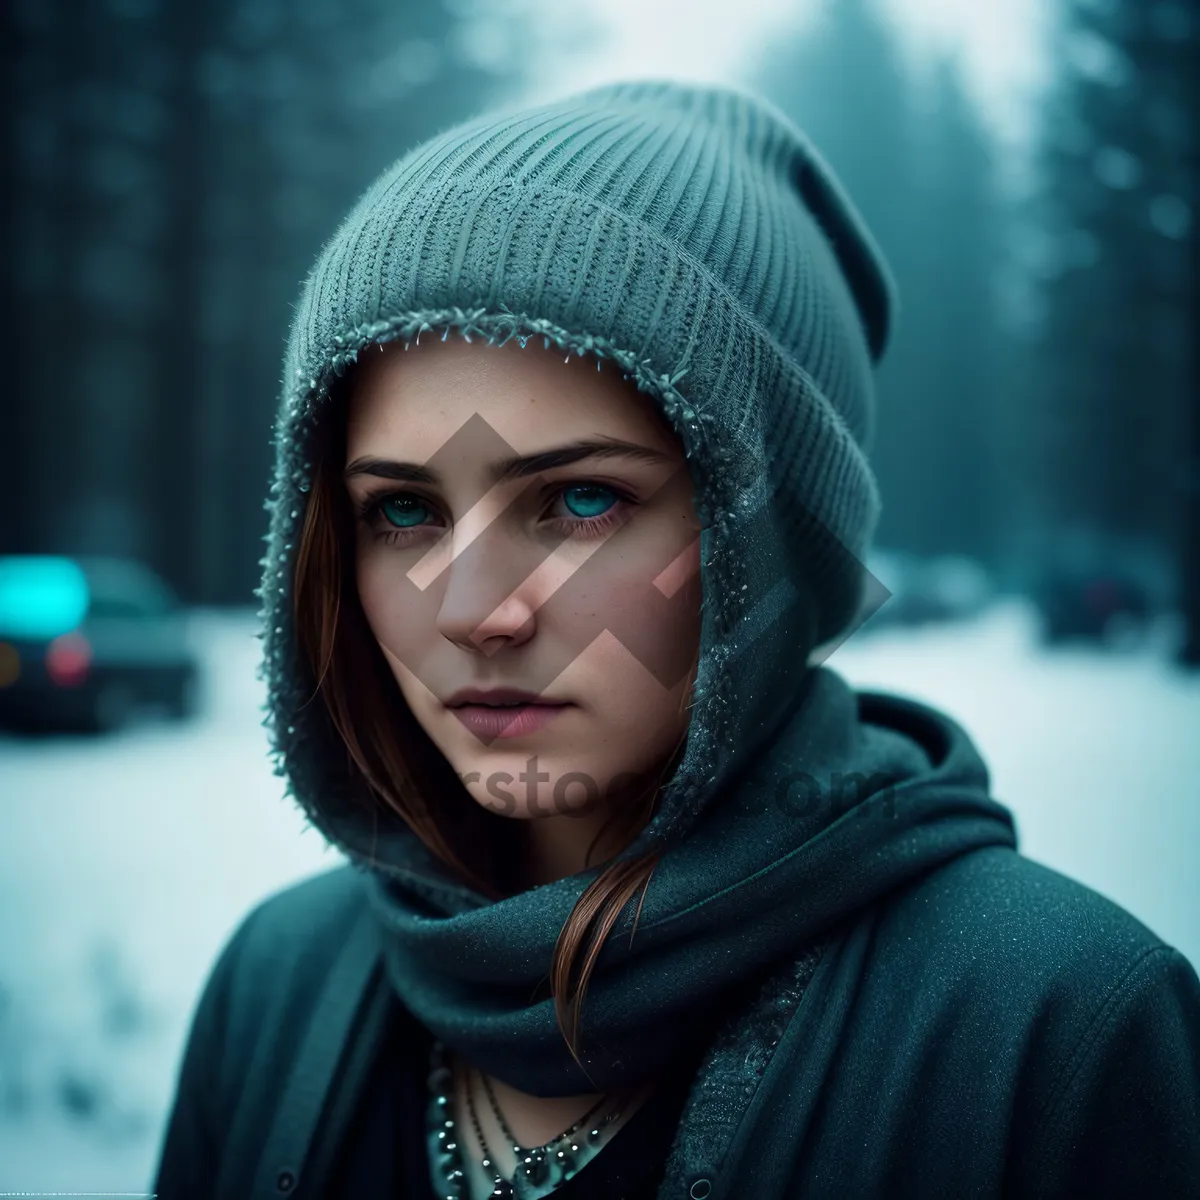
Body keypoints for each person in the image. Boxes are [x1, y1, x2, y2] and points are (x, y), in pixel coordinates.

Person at [152, 79, 1200, 1199]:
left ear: (775, 547)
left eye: (583, 500)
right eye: (402, 511)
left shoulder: (1057, 1032)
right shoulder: (277, 988)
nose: (473, 611)